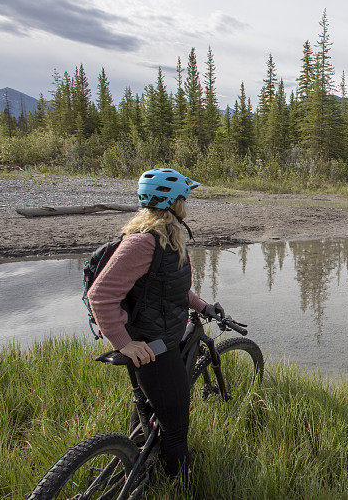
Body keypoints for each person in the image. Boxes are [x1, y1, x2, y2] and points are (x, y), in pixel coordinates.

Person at [86, 167, 224, 479]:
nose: (187, 203)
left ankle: (136, 467)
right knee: (176, 427)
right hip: (152, 348)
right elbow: (101, 295)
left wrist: (202, 305)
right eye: (185, 197)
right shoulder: (144, 242)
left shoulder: (167, 235)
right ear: (175, 202)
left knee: (150, 413)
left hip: (161, 337)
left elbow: (167, 287)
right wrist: (123, 343)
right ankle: (179, 481)